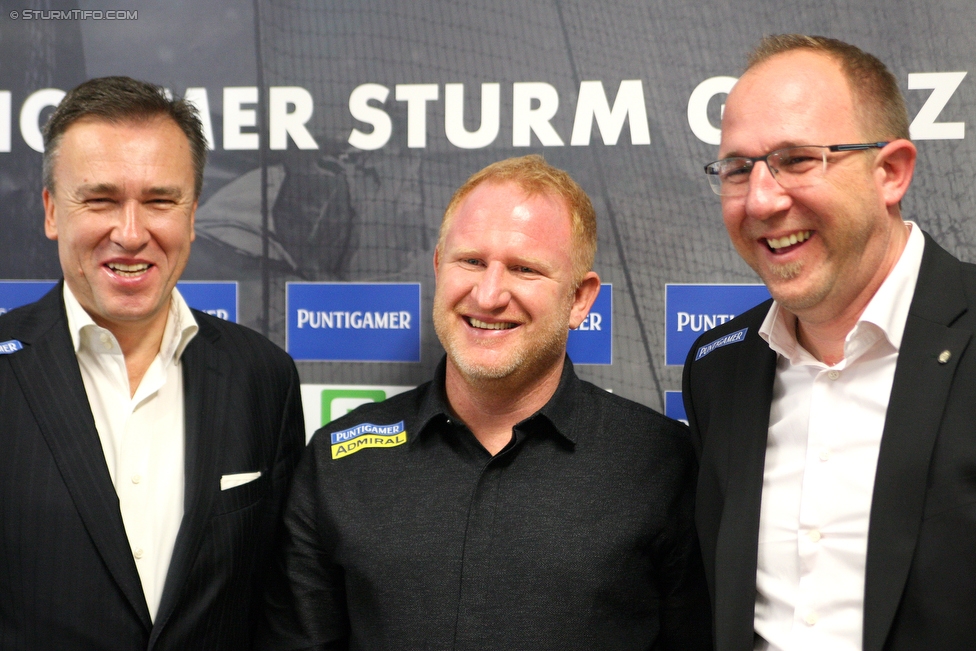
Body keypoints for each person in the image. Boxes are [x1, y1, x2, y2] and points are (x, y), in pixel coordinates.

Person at [260, 154, 711, 650]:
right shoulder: (338, 462)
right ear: (438, 266)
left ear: (581, 299)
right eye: (471, 261)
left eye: (524, 269)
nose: (490, 294)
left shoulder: (664, 463)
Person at [684, 34, 976, 651]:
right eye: (738, 169)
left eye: (796, 160)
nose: (762, 200)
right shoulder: (718, 369)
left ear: (890, 172)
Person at [0, 76, 306, 650]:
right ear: (50, 212)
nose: (132, 233)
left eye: (161, 201)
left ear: (193, 215)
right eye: (100, 200)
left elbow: (280, 604)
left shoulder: (264, 377)